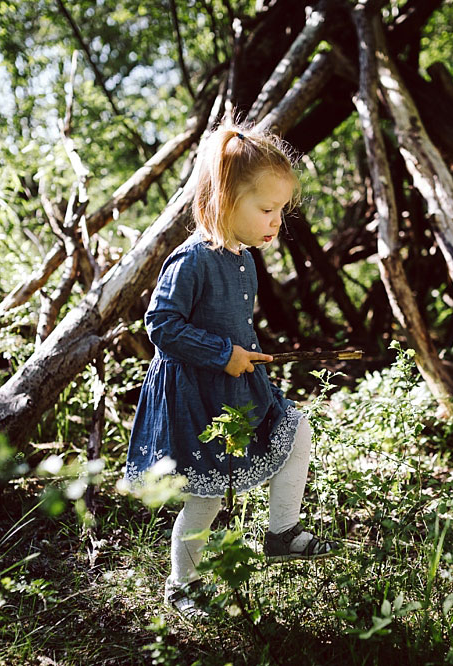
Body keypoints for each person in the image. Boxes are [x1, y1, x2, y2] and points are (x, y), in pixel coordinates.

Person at [123, 122, 339, 618]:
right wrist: (224, 354)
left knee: (296, 428)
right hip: (197, 396)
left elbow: (234, 323)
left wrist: (247, 355)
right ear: (223, 198)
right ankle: (182, 585)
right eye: (266, 209)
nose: (276, 221)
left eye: (280, 210)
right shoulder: (193, 260)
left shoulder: (242, 258)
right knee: (205, 498)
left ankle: (282, 532)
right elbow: (160, 324)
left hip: (236, 387)